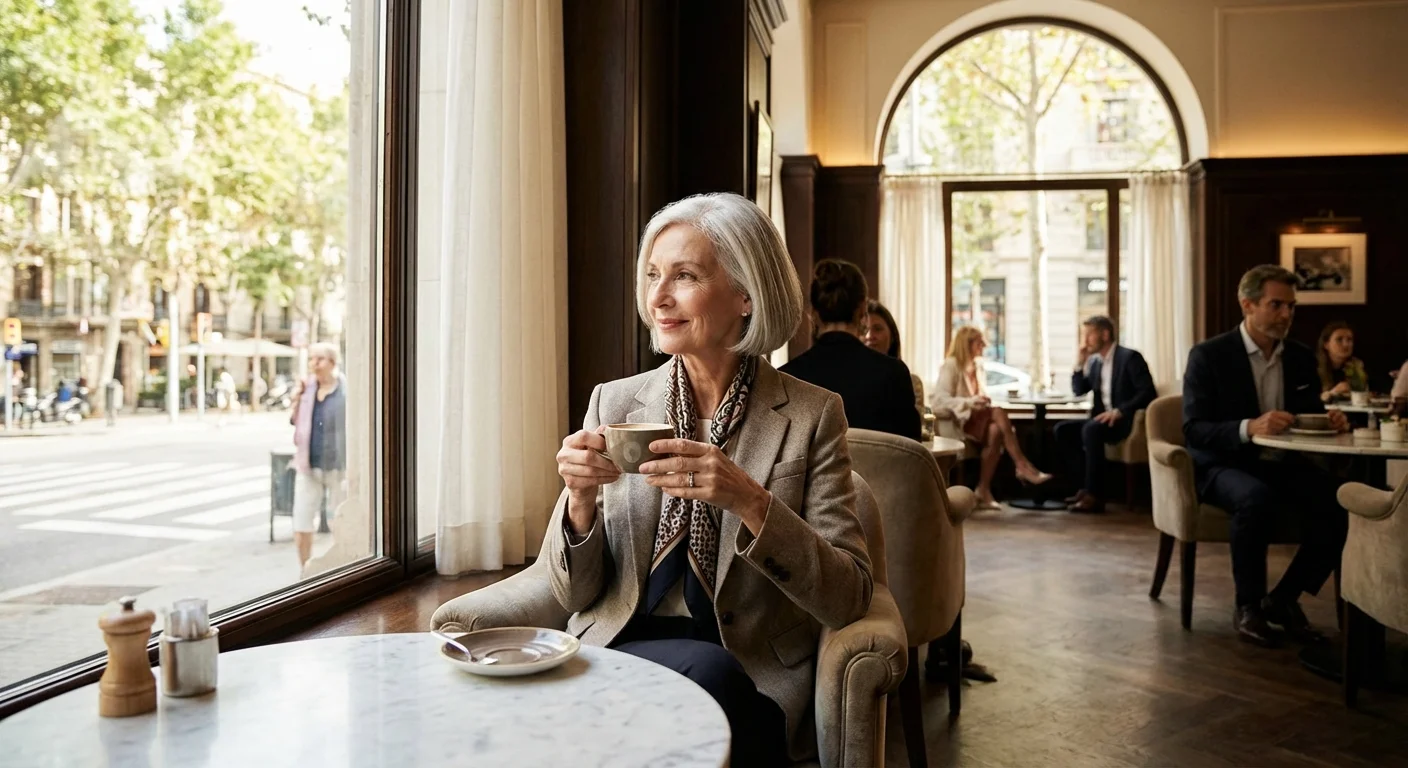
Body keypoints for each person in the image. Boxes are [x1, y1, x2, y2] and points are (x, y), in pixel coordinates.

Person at [551, 193, 872, 766]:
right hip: (620, 642)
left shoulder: (812, 414)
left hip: (745, 660)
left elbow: (848, 596)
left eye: (685, 276)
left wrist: (749, 500)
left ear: (745, 296)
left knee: (717, 675)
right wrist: (579, 501)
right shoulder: (615, 403)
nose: (658, 297)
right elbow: (574, 594)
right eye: (652, 275)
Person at [1182, 264, 1349, 646]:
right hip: (1222, 463)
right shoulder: (1209, 355)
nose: (1286, 315)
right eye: (1276, 305)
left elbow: (1306, 416)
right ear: (1248, 305)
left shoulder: (1301, 357)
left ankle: (1284, 598)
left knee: (1341, 500)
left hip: (1279, 463)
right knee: (1254, 498)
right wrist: (1248, 427)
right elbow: (1194, 429)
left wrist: (1329, 420)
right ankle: (1248, 607)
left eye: (1291, 306)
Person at [779, 261, 922, 441]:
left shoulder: (786, 378)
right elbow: (912, 454)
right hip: (876, 470)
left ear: (813, 314)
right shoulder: (894, 374)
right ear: (863, 311)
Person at [934, 326, 1052, 509]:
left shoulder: (978, 366)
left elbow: (981, 395)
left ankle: (983, 489)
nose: (985, 345)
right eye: (980, 342)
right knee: (998, 412)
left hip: (977, 421)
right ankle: (1022, 465)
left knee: (996, 430)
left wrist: (981, 400)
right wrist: (971, 402)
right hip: (959, 422)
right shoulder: (951, 365)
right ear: (967, 343)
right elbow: (940, 401)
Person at [1054, 315, 1157, 513]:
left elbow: (1148, 392)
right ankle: (1084, 489)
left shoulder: (1129, 357)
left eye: (1089, 335)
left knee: (1091, 430)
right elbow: (1079, 390)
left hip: (1125, 422)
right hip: (1102, 422)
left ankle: (1095, 496)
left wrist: (1120, 411)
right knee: (1063, 430)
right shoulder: (1095, 363)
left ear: (1105, 334)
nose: (1085, 341)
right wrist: (1079, 363)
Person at [290, 343, 347, 569]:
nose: (314, 364)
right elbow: (294, 421)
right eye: (312, 359)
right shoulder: (306, 389)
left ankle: (342, 566)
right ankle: (305, 569)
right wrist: (296, 399)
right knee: (301, 518)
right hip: (308, 464)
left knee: (340, 520)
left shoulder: (346, 390)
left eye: (320, 359)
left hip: (339, 467)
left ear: (333, 362)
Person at [863, 299, 926, 417]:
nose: (870, 336)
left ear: (892, 336)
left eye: (877, 329)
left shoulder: (912, 383)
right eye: (865, 330)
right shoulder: (850, 380)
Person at [1315, 321, 1361, 402]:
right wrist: (1333, 393)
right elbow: (1309, 400)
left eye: (1349, 339)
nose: (1346, 344)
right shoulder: (1313, 367)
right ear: (1326, 344)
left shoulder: (1357, 366)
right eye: (1339, 339)